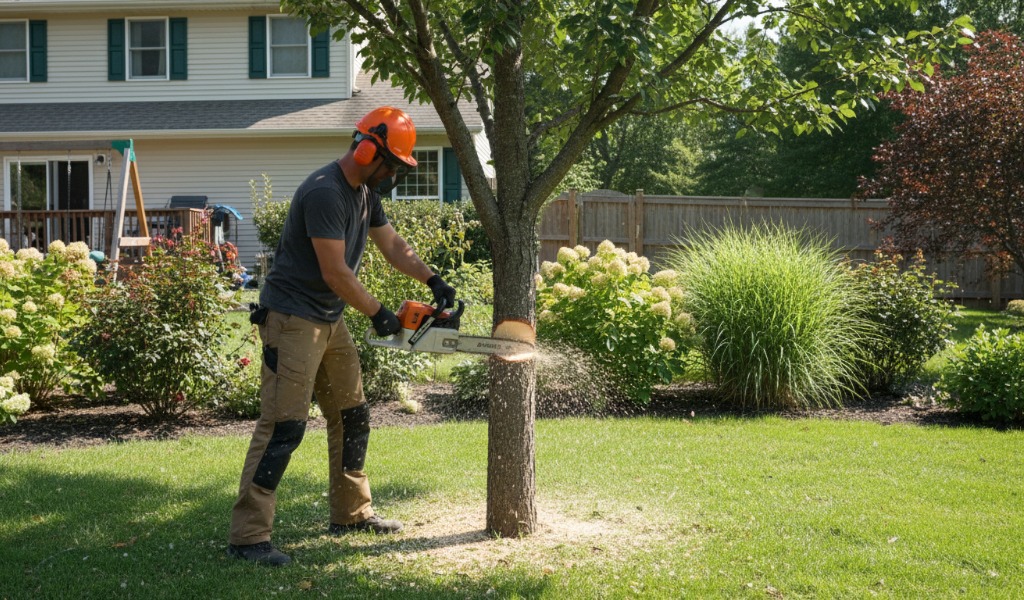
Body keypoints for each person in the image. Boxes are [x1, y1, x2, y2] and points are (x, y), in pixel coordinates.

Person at [227, 107, 457, 567]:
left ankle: (351, 513)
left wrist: (433, 281)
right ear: (368, 149)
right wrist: (380, 314)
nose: (393, 174)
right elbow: (335, 272)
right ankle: (248, 535)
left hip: (329, 321)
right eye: (391, 165)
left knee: (353, 415)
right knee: (283, 427)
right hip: (292, 321)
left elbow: (392, 245)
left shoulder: (365, 193)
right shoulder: (325, 192)